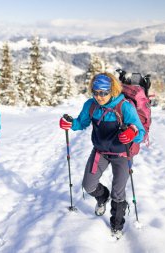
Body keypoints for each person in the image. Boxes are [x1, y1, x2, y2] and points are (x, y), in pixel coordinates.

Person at [59, 73, 145, 237]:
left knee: (118, 193)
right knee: (88, 185)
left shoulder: (124, 106)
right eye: (95, 92)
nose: (99, 97)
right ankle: (102, 197)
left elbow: (140, 132)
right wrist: (70, 124)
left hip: (122, 155)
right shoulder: (91, 106)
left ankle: (116, 226)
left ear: (112, 91)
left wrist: (132, 132)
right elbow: (81, 123)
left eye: (103, 93)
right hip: (100, 152)